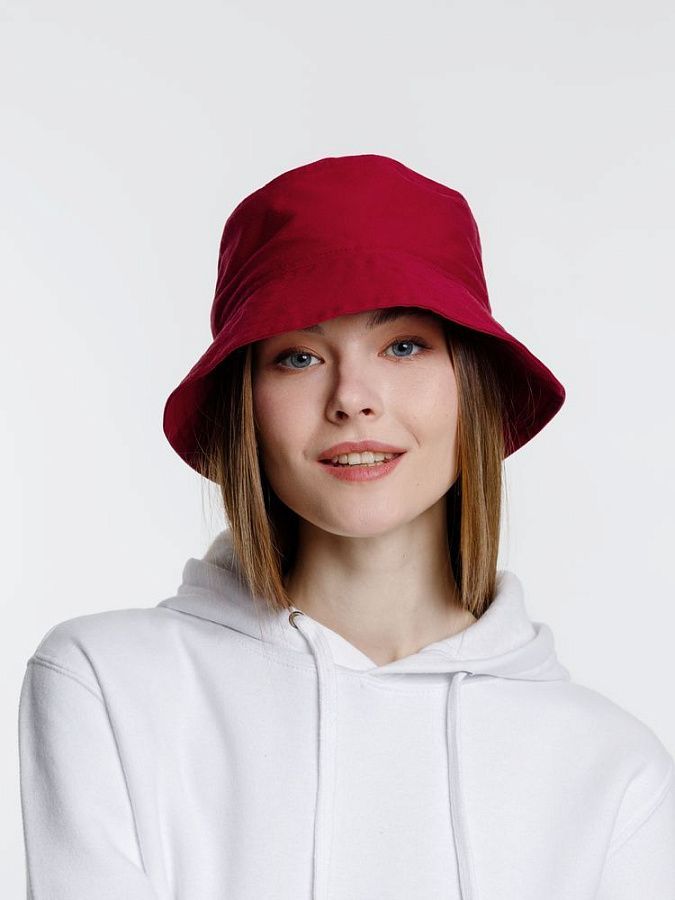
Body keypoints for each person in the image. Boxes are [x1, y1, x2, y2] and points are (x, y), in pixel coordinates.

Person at [18, 154, 675, 899]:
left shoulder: (612, 770)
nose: (352, 397)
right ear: (246, 409)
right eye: (298, 356)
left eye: (403, 346)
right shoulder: (107, 684)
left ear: (472, 385)